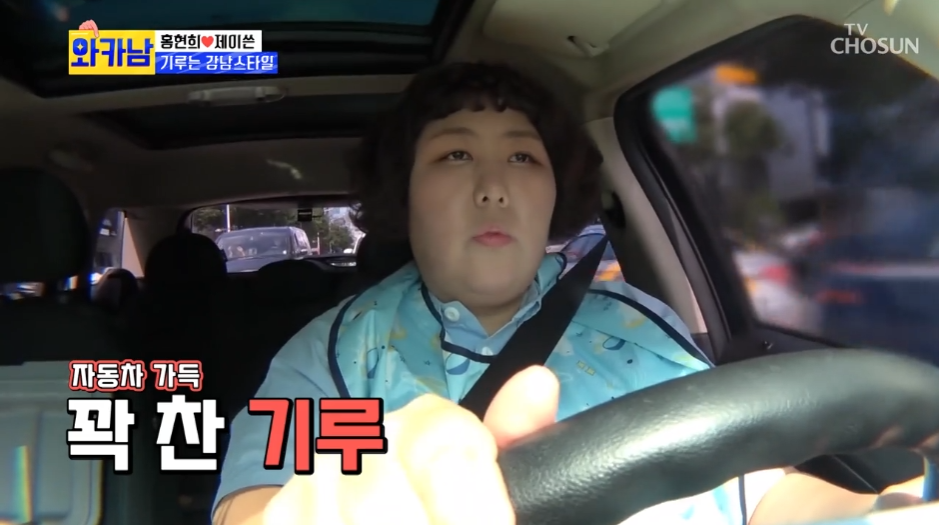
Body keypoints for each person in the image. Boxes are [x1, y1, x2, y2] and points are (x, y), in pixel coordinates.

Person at [213, 62, 924, 525]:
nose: (494, 186)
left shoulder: (638, 322)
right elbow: (250, 506)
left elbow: (755, 490)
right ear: (404, 192)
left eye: (523, 156)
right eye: (455, 153)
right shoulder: (332, 354)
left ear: (555, 191)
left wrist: (879, 510)